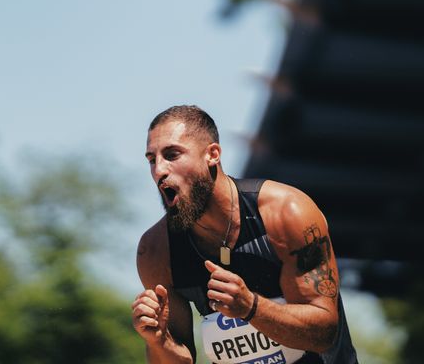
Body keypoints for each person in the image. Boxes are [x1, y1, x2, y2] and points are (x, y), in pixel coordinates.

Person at [131, 105, 358, 364]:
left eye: (172, 155)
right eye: (152, 160)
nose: (159, 171)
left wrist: (251, 307)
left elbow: (325, 332)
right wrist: (159, 341)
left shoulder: (287, 212)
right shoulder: (156, 250)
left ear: (212, 154)